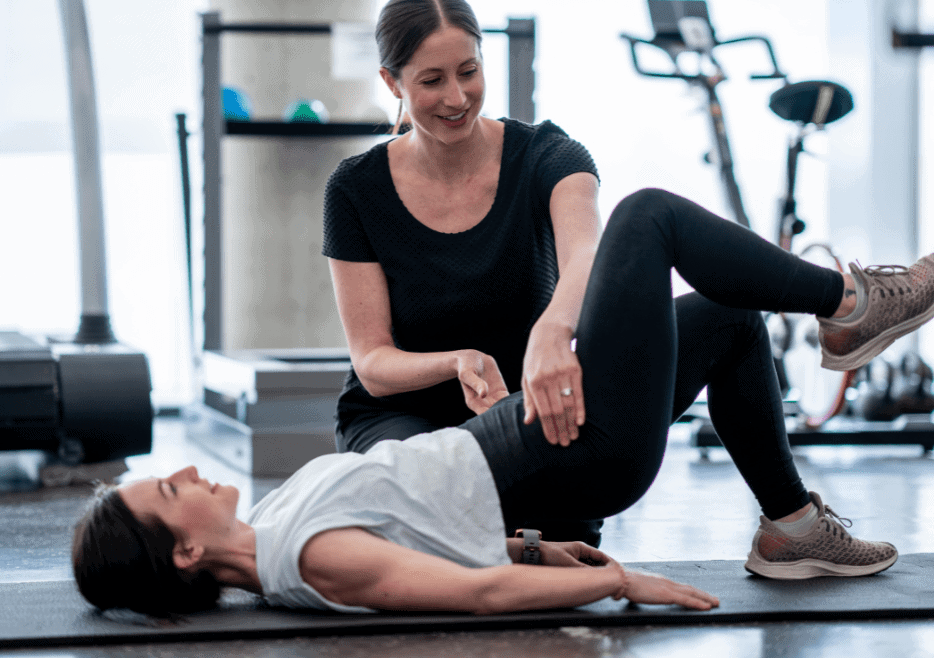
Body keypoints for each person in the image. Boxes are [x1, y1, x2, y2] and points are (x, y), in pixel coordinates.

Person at [73, 187, 934, 617]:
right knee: (646, 220)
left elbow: (432, 527)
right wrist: (619, 582)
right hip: (571, 451)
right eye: (168, 490)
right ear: (185, 553)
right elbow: (474, 593)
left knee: (728, 317)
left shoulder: (273, 530)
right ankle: (852, 306)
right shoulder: (309, 559)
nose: (183, 468)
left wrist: (535, 547)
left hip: (526, 439)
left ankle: (789, 528)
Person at [322, 0, 604, 543]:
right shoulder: (354, 189)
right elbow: (373, 364)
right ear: (391, 82)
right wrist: (457, 363)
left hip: (518, 409)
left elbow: (588, 255)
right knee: (435, 495)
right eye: (431, 80)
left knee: (563, 529)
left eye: (468, 71)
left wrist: (554, 330)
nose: (457, 97)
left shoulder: (550, 156)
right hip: (402, 420)